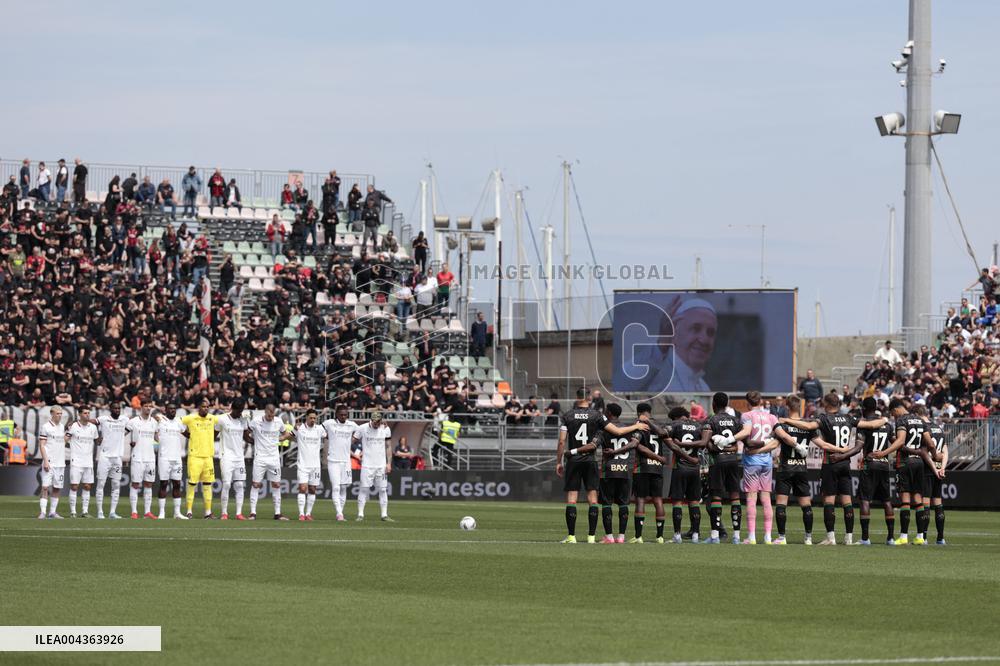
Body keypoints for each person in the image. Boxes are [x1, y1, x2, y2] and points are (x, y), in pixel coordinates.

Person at [780, 393, 887, 545]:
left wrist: (786, 420)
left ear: (827, 404)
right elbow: (871, 425)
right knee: (847, 501)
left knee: (828, 501)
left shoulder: (824, 418)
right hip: (845, 463)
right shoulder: (849, 418)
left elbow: (808, 426)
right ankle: (849, 538)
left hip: (830, 462)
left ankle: (831, 538)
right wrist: (884, 419)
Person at [554, 388, 647, 544]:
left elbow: (562, 441)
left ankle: (572, 536)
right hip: (590, 460)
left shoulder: (567, 415)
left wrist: (559, 461)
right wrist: (635, 427)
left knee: (572, 498)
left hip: (574, 461)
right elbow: (617, 431)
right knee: (593, 498)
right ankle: (591, 536)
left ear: (577, 398)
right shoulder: (597, 415)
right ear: (589, 398)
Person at [873, 400, 941, 545]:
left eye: (893, 413)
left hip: (905, 462)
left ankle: (903, 537)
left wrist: (883, 452)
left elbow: (900, 442)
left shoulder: (902, 420)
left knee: (905, 500)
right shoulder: (920, 420)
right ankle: (920, 537)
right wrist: (935, 456)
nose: (894, 416)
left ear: (897, 409)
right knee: (918, 500)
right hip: (919, 463)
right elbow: (930, 443)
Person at [847, 397, 897, 545]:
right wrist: (885, 453)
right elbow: (896, 442)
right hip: (884, 464)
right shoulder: (887, 424)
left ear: (863, 408)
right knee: (886, 500)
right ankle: (891, 538)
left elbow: (858, 446)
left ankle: (865, 538)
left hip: (870, 464)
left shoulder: (864, 425)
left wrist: (843, 455)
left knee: (864, 500)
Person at [769, 395, 814, 544]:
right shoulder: (807, 426)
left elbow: (774, 444)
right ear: (800, 407)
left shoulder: (783, 425)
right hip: (801, 468)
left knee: (781, 504)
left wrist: (757, 449)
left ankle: (782, 537)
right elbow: (822, 444)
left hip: (785, 468)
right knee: (806, 504)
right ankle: (808, 538)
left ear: (787, 407)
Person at [702, 392, 746, 544]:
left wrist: (714, 447)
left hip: (717, 461)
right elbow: (745, 439)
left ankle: (715, 536)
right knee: (735, 496)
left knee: (716, 497)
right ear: (727, 404)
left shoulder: (711, 420)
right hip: (733, 461)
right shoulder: (736, 420)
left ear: (713, 404)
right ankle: (737, 537)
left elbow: (705, 443)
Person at [737, 391, 779, 544]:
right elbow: (777, 437)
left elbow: (746, 433)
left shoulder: (746, 416)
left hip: (751, 460)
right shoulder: (771, 417)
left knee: (751, 498)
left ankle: (752, 536)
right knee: (766, 498)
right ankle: (768, 536)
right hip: (767, 460)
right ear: (761, 401)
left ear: (748, 402)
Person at [665, 406, 706, 544]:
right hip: (694, 468)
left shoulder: (675, 425)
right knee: (694, 501)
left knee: (677, 501)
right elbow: (704, 444)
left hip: (680, 467)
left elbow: (668, 441)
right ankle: (695, 535)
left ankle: (677, 535)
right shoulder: (698, 426)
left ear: (677, 417)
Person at [628, 403, 668, 544]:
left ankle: (638, 537)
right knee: (658, 500)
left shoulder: (638, 426)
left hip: (642, 468)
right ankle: (660, 537)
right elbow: (664, 435)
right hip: (657, 468)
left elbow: (638, 446)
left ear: (639, 413)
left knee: (640, 499)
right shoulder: (657, 426)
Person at [596, 403, 636, 543]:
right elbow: (634, 444)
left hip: (609, 471)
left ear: (608, 412)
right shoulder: (628, 428)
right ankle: (621, 537)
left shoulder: (604, 428)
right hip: (625, 471)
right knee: (624, 504)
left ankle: (609, 537)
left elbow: (596, 443)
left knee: (606, 504)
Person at [246, 403, 292, 520]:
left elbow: (285, 434)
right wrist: (253, 441)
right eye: (269, 415)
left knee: (276, 484)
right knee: (256, 484)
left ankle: (277, 513)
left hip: (274, 458)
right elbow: (246, 433)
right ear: (265, 412)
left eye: (272, 416)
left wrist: (281, 438)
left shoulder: (278, 421)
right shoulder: (256, 421)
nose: (270, 418)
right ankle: (252, 513)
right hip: (260, 457)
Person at [352, 411, 394, 522]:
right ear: (371, 420)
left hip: (381, 465)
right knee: (363, 489)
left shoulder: (385, 429)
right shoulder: (362, 428)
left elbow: (388, 446)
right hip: (367, 465)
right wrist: (355, 454)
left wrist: (389, 463)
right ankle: (360, 515)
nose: (377, 424)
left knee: (383, 490)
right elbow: (351, 441)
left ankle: (384, 515)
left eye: (378, 422)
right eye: (375, 422)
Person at [181, 400, 219, 519]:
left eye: (207, 407)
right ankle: (189, 511)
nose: (206, 409)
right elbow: (176, 422)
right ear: (199, 408)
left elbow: (226, 418)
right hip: (195, 457)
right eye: (203, 407)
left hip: (208, 457)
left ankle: (208, 512)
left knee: (207, 485)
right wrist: (185, 433)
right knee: (192, 484)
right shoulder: (191, 418)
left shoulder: (212, 418)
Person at [322, 404, 358, 522]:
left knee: (343, 487)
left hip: (346, 461)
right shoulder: (329, 423)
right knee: (336, 487)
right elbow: (318, 429)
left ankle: (340, 512)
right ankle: (339, 514)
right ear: (336, 414)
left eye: (345, 415)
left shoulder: (351, 425)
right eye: (341, 415)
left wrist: (380, 425)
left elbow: (363, 430)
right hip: (333, 461)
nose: (343, 417)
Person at [125, 401, 159, 519]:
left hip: (150, 458)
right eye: (146, 406)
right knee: (135, 484)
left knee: (149, 484)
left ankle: (147, 512)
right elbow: (122, 433)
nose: (148, 408)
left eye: (150, 406)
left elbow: (157, 438)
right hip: (137, 457)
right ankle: (134, 511)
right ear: (141, 407)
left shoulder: (154, 422)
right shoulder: (133, 421)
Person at [216, 398, 249, 520]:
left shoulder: (243, 420)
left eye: (241, 411)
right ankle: (224, 513)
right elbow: (214, 434)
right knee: (226, 485)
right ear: (232, 409)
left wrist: (260, 442)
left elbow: (246, 437)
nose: (239, 413)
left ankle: (239, 513)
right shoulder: (222, 419)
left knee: (240, 484)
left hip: (239, 457)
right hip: (226, 456)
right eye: (238, 411)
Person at [292, 409, 326, 521]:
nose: (313, 420)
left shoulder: (320, 429)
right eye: (311, 418)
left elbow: (329, 436)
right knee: (302, 488)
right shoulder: (299, 428)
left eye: (314, 418)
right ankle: (301, 514)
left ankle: (308, 514)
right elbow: (290, 435)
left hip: (315, 465)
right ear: (306, 417)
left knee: (312, 489)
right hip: (303, 464)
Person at [95, 402, 128, 519]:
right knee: (101, 484)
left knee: (116, 485)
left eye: (119, 408)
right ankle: (100, 512)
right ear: (110, 409)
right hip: (105, 456)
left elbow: (134, 425)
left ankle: (112, 512)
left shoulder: (124, 419)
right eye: (115, 408)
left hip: (117, 457)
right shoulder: (104, 419)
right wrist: (96, 436)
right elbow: (91, 422)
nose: (117, 409)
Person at [155, 404, 188, 520]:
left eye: (174, 409)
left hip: (177, 458)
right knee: (163, 483)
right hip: (164, 457)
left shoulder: (179, 421)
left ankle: (177, 513)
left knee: (177, 484)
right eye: (170, 409)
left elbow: (187, 433)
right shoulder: (161, 419)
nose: (173, 411)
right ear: (166, 410)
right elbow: (153, 417)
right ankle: (161, 512)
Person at [67, 406, 98, 518]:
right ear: (79, 414)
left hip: (88, 461)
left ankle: (85, 511)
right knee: (74, 486)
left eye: (88, 413)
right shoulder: (73, 426)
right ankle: (73, 512)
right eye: (85, 413)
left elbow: (97, 441)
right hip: (76, 460)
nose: (87, 415)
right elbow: (65, 439)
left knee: (87, 486)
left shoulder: (93, 427)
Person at [923, 416, 949, 545]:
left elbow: (925, 453)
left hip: (927, 470)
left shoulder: (924, 429)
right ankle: (940, 538)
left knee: (925, 504)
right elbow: (945, 451)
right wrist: (942, 468)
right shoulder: (939, 429)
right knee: (938, 503)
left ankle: (924, 537)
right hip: (939, 470)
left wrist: (934, 469)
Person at [38, 407, 67, 519]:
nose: (59, 416)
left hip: (60, 463)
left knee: (56, 488)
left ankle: (52, 512)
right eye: (57, 413)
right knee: (45, 487)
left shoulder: (62, 427)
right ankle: (43, 512)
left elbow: (61, 442)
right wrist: (45, 461)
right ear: (52, 414)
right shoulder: (46, 427)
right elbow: (42, 445)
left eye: (61, 414)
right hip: (49, 462)